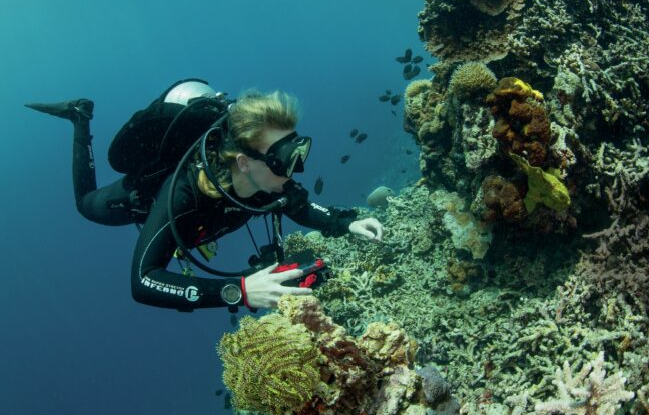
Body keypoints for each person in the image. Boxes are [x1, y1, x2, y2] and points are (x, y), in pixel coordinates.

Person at [26, 79, 384, 312]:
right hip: (138, 196)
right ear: (244, 163)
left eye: (298, 152)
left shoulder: (268, 182)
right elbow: (143, 280)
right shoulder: (185, 196)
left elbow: (301, 207)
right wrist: (238, 290)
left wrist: (347, 222)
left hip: (206, 218)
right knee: (84, 206)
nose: (293, 172)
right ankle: (79, 117)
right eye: (283, 159)